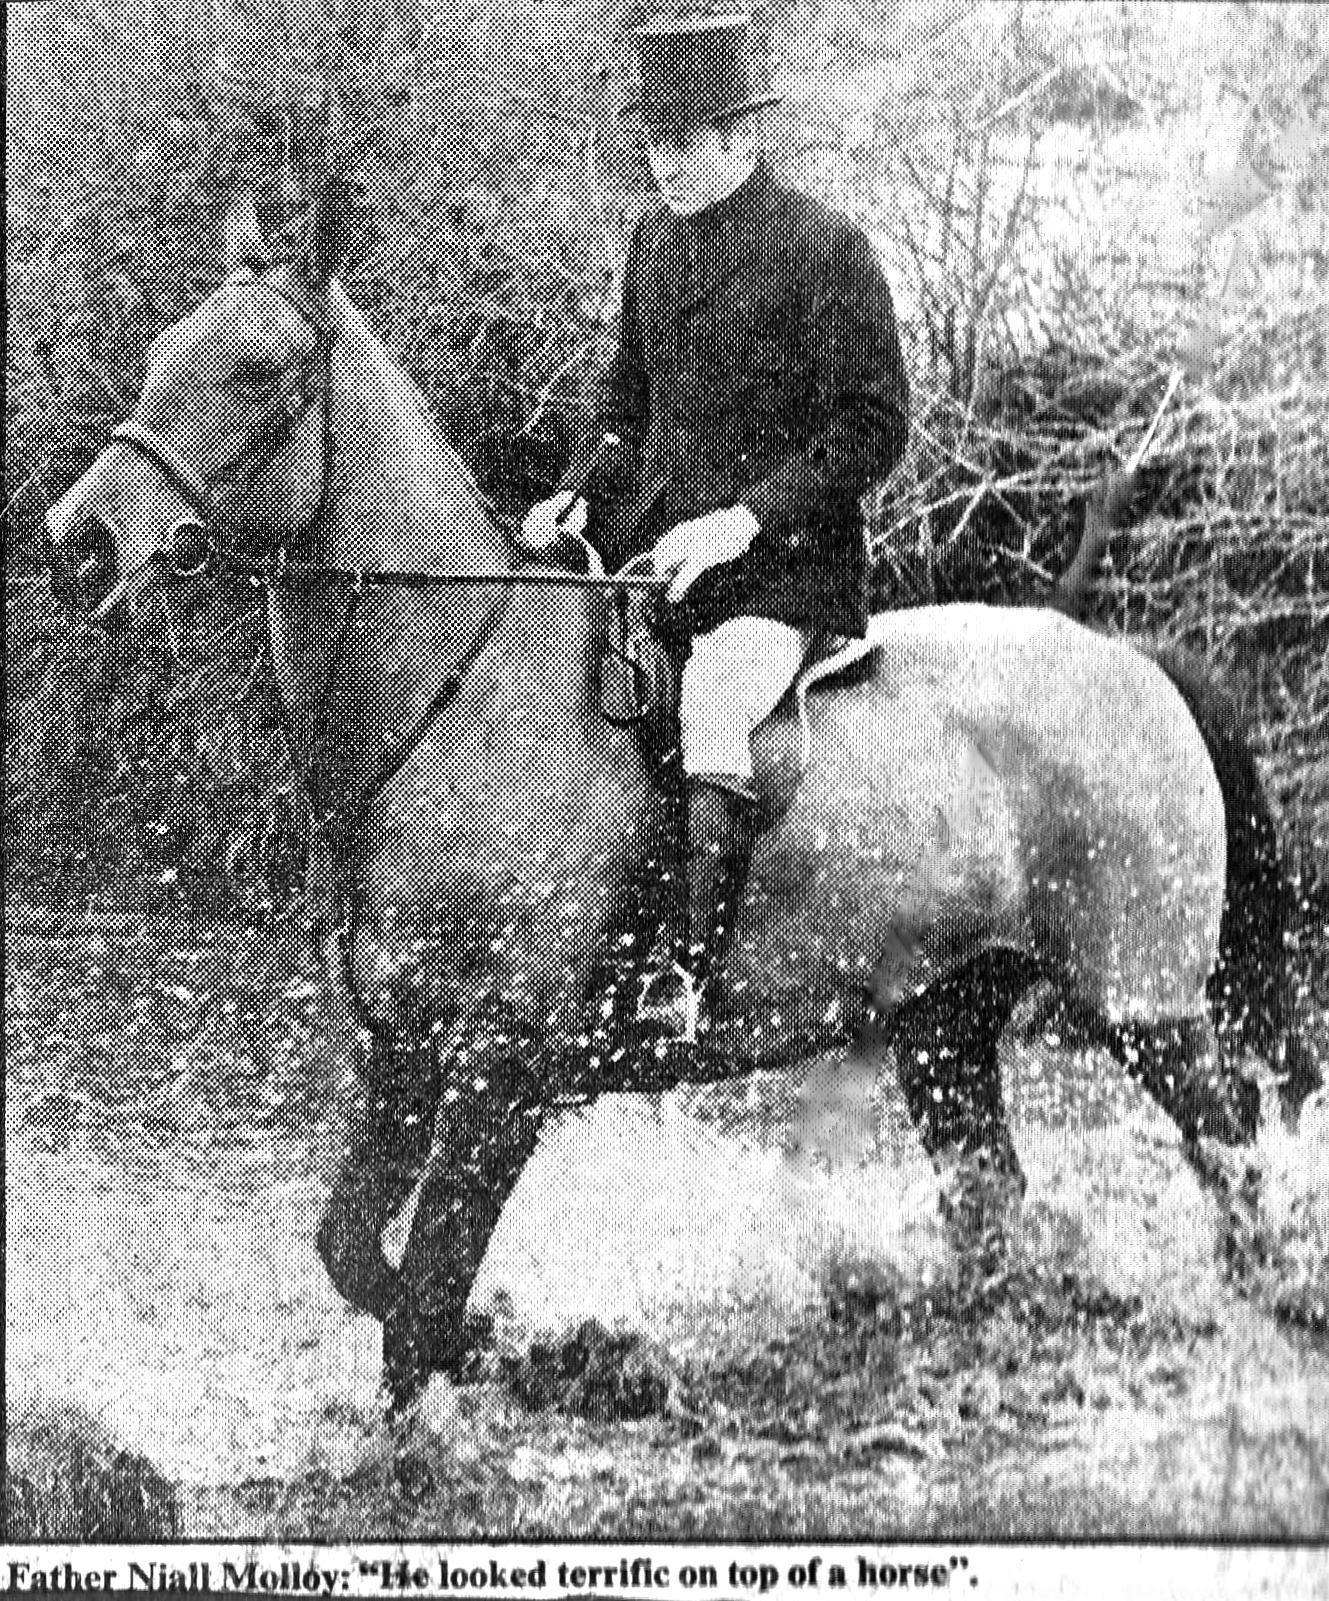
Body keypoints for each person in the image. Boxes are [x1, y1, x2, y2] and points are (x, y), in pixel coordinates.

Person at [520, 13, 909, 1043]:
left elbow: (874, 426)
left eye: (685, 141)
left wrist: (746, 519)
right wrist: (577, 493)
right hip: (663, 562)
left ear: (743, 135)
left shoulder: (825, 249)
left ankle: (687, 980)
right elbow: (625, 411)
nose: (664, 163)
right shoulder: (652, 241)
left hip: (784, 571)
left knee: (713, 702)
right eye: (654, 141)